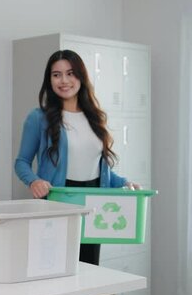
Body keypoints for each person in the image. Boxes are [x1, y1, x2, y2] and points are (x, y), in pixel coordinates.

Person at [14, 49, 140, 265]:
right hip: (58, 198)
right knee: (56, 268)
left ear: (81, 76)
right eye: (56, 75)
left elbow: (98, 167)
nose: (64, 80)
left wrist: (124, 183)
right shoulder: (38, 117)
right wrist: (33, 181)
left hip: (93, 201)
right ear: (49, 80)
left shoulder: (95, 117)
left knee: (89, 269)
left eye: (70, 73)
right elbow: (21, 162)